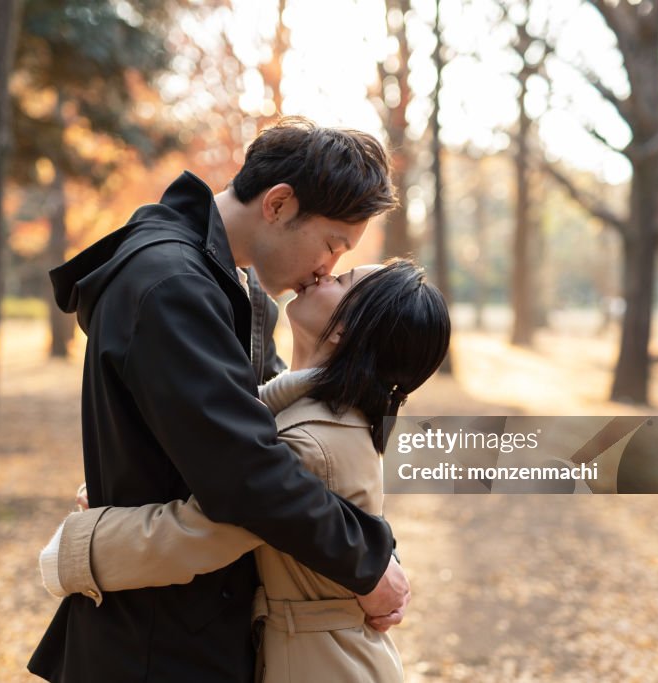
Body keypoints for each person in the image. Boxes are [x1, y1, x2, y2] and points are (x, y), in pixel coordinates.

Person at [28, 118, 411, 683]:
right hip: (155, 647)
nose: (329, 266)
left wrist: (379, 550)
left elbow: (282, 437)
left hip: (206, 625)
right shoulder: (171, 284)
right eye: (333, 243)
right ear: (279, 204)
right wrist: (367, 562)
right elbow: (248, 472)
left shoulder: (235, 286)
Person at [43, 260, 452, 683]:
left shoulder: (312, 441)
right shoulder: (325, 414)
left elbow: (196, 534)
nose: (322, 274)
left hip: (324, 665)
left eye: (342, 280)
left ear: (343, 331)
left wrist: (75, 551)